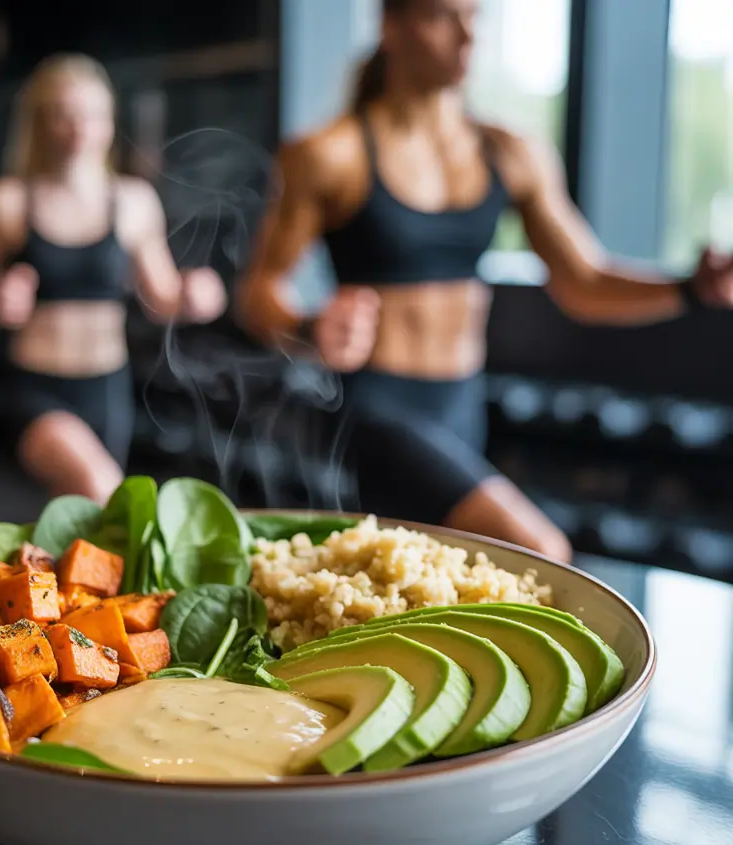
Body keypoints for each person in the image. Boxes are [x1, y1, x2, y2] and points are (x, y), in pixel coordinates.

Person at [239, 0, 733, 562]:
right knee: (539, 549)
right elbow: (260, 292)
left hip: (461, 405)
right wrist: (309, 326)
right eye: (442, 16)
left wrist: (692, 289)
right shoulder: (330, 154)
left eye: (476, 16)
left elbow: (584, 280)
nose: (467, 34)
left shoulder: (509, 152)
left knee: (429, 589)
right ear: (392, 26)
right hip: (375, 409)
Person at [0, 54, 227, 503]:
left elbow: (160, 298)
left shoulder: (133, 201)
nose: (79, 128)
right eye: (64, 115)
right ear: (40, 123)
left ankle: (41, 576)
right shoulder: (5, 201)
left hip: (106, 387)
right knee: (100, 486)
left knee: (83, 522)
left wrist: (196, 297)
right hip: (37, 387)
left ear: (109, 122)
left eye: (92, 115)